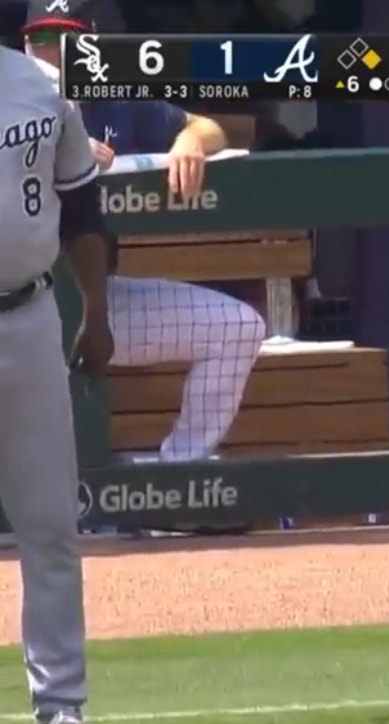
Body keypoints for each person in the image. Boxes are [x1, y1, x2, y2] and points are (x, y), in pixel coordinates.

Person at [24, 0, 267, 464]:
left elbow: (206, 126)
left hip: (94, 300)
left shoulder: (116, 101)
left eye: (65, 39)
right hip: (15, 308)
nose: (51, 52)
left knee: (236, 327)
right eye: (41, 39)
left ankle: (179, 478)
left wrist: (191, 141)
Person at [0, 39, 111, 724]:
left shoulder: (41, 85)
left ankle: (61, 705)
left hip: (30, 317)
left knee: (49, 525)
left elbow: (82, 211)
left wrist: (96, 312)